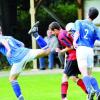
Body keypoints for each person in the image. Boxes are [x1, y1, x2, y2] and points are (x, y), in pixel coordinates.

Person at [0, 25, 50, 100]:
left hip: (17, 59)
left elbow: (3, 42)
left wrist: (9, 50)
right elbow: (21, 44)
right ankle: (35, 34)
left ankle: (20, 98)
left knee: (12, 79)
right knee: (47, 51)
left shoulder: (1, 38)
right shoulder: (9, 37)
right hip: (25, 52)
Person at [48, 22, 87, 100]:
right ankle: (89, 92)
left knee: (65, 76)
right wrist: (59, 48)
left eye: (52, 31)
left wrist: (62, 51)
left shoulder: (61, 35)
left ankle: (64, 98)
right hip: (76, 56)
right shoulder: (63, 32)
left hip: (73, 57)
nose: (51, 33)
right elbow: (66, 44)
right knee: (73, 77)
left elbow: (71, 46)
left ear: (55, 30)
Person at [73, 7, 100, 100]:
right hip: (90, 50)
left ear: (88, 14)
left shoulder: (79, 22)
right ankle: (98, 91)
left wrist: (74, 42)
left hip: (81, 48)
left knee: (84, 73)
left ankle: (90, 90)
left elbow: (77, 32)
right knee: (89, 74)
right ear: (95, 17)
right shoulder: (95, 27)